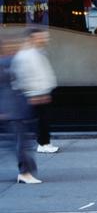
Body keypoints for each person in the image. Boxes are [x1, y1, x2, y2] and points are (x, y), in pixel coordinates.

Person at [0, 37, 41, 183]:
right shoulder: (6, 63)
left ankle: (26, 170)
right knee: (20, 141)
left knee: (19, 141)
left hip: (14, 107)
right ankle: (25, 172)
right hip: (11, 108)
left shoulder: (9, 62)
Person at [11, 28, 59, 153]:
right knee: (39, 121)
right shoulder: (26, 55)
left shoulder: (37, 52)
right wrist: (34, 92)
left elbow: (44, 72)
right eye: (40, 37)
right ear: (31, 39)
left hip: (41, 92)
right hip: (34, 93)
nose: (43, 39)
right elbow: (24, 76)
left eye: (43, 37)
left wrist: (47, 88)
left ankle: (43, 143)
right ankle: (42, 144)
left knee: (42, 119)